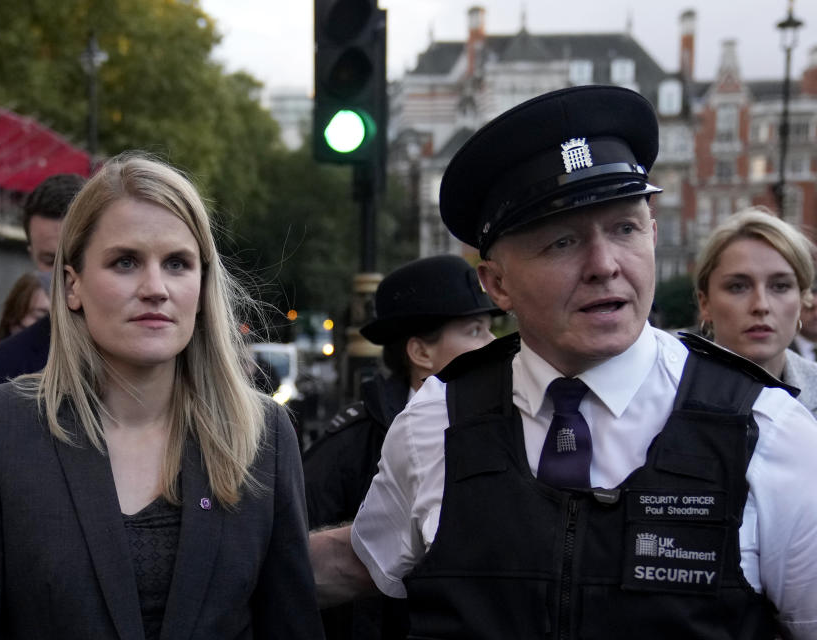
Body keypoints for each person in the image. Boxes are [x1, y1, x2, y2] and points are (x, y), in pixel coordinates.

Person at [312, 86, 817, 638]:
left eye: (624, 228)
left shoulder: (768, 433)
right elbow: (362, 562)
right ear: (497, 283)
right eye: (562, 242)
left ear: (652, 232)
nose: (605, 265)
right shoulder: (436, 421)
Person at [0, 154, 324, 639]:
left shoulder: (263, 435)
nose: (155, 288)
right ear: (72, 285)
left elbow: (291, 624)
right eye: (125, 262)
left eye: (177, 263)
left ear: (202, 284)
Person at [303, 254, 498, 640]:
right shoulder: (350, 447)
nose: (493, 344)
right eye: (475, 331)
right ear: (421, 353)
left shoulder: (504, 427)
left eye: (491, 329)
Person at [695, 207, 817, 417]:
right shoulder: (666, 395)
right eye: (738, 287)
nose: (761, 305)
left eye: (780, 286)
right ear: (705, 303)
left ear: (802, 299)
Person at [0, 173, 85, 388]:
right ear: (32, 255)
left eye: (74, 257)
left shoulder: (160, 345)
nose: (65, 274)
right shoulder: (6, 363)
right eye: (50, 261)